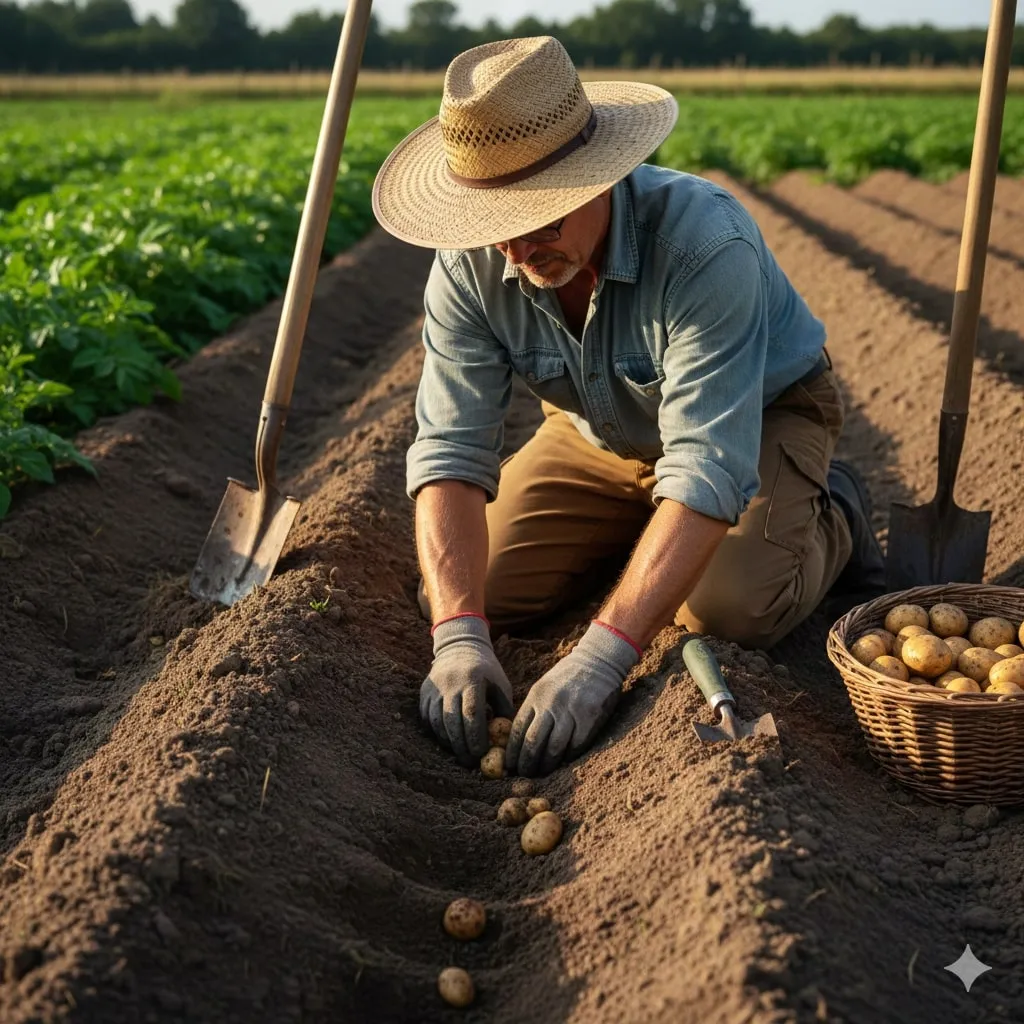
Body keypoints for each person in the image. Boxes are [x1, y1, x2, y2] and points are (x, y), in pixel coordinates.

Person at [370, 35, 884, 778]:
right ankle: (647, 536)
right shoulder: (469, 267)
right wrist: (457, 634)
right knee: (477, 593)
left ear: (599, 177)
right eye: (498, 226)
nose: (519, 247)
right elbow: (450, 449)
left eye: (543, 217)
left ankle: (832, 511)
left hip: (759, 418)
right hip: (597, 432)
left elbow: (708, 463)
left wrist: (603, 656)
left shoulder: (705, 246)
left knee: (728, 612)